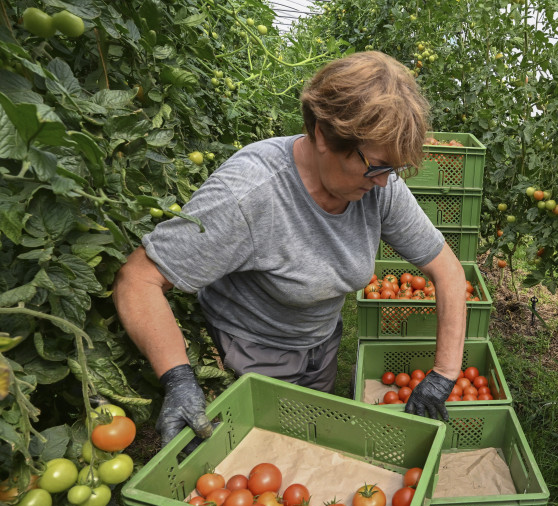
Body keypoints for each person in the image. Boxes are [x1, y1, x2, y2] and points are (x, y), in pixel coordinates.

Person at [113, 51, 468, 445]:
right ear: (321, 134)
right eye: (376, 166)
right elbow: (138, 278)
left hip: (321, 343)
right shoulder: (250, 195)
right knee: (260, 459)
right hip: (250, 351)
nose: (384, 182)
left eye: (393, 169)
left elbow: (448, 271)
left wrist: (444, 374)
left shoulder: (378, 188)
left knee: (308, 444)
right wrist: (178, 378)